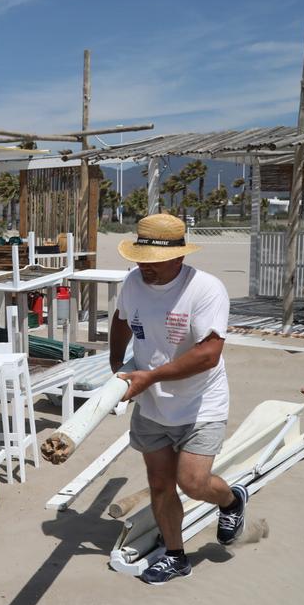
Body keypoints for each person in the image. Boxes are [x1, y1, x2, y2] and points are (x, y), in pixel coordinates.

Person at [109, 213, 247, 585]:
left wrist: (150, 376)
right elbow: (122, 319)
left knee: (193, 483)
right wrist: (114, 365)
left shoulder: (206, 290)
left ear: (179, 258)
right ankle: (175, 556)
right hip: (152, 403)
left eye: (153, 262)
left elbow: (209, 355)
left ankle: (231, 500)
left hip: (200, 403)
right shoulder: (133, 282)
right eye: (140, 259)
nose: (144, 268)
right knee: (159, 484)